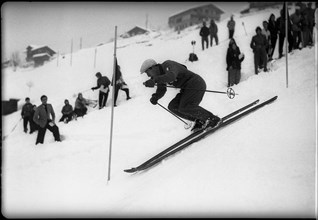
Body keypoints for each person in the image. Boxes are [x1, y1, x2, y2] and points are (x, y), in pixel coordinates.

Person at [140, 59, 221, 133]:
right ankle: (200, 120)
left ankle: (212, 119)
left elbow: (171, 76)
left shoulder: (168, 65)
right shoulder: (160, 76)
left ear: (152, 68)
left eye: (147, 72)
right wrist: (156, 96)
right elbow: (162, 89)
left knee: (185, 106)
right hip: (186, 89)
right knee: (173, 106)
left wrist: (154, 80)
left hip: (195, 83)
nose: (148, 75)